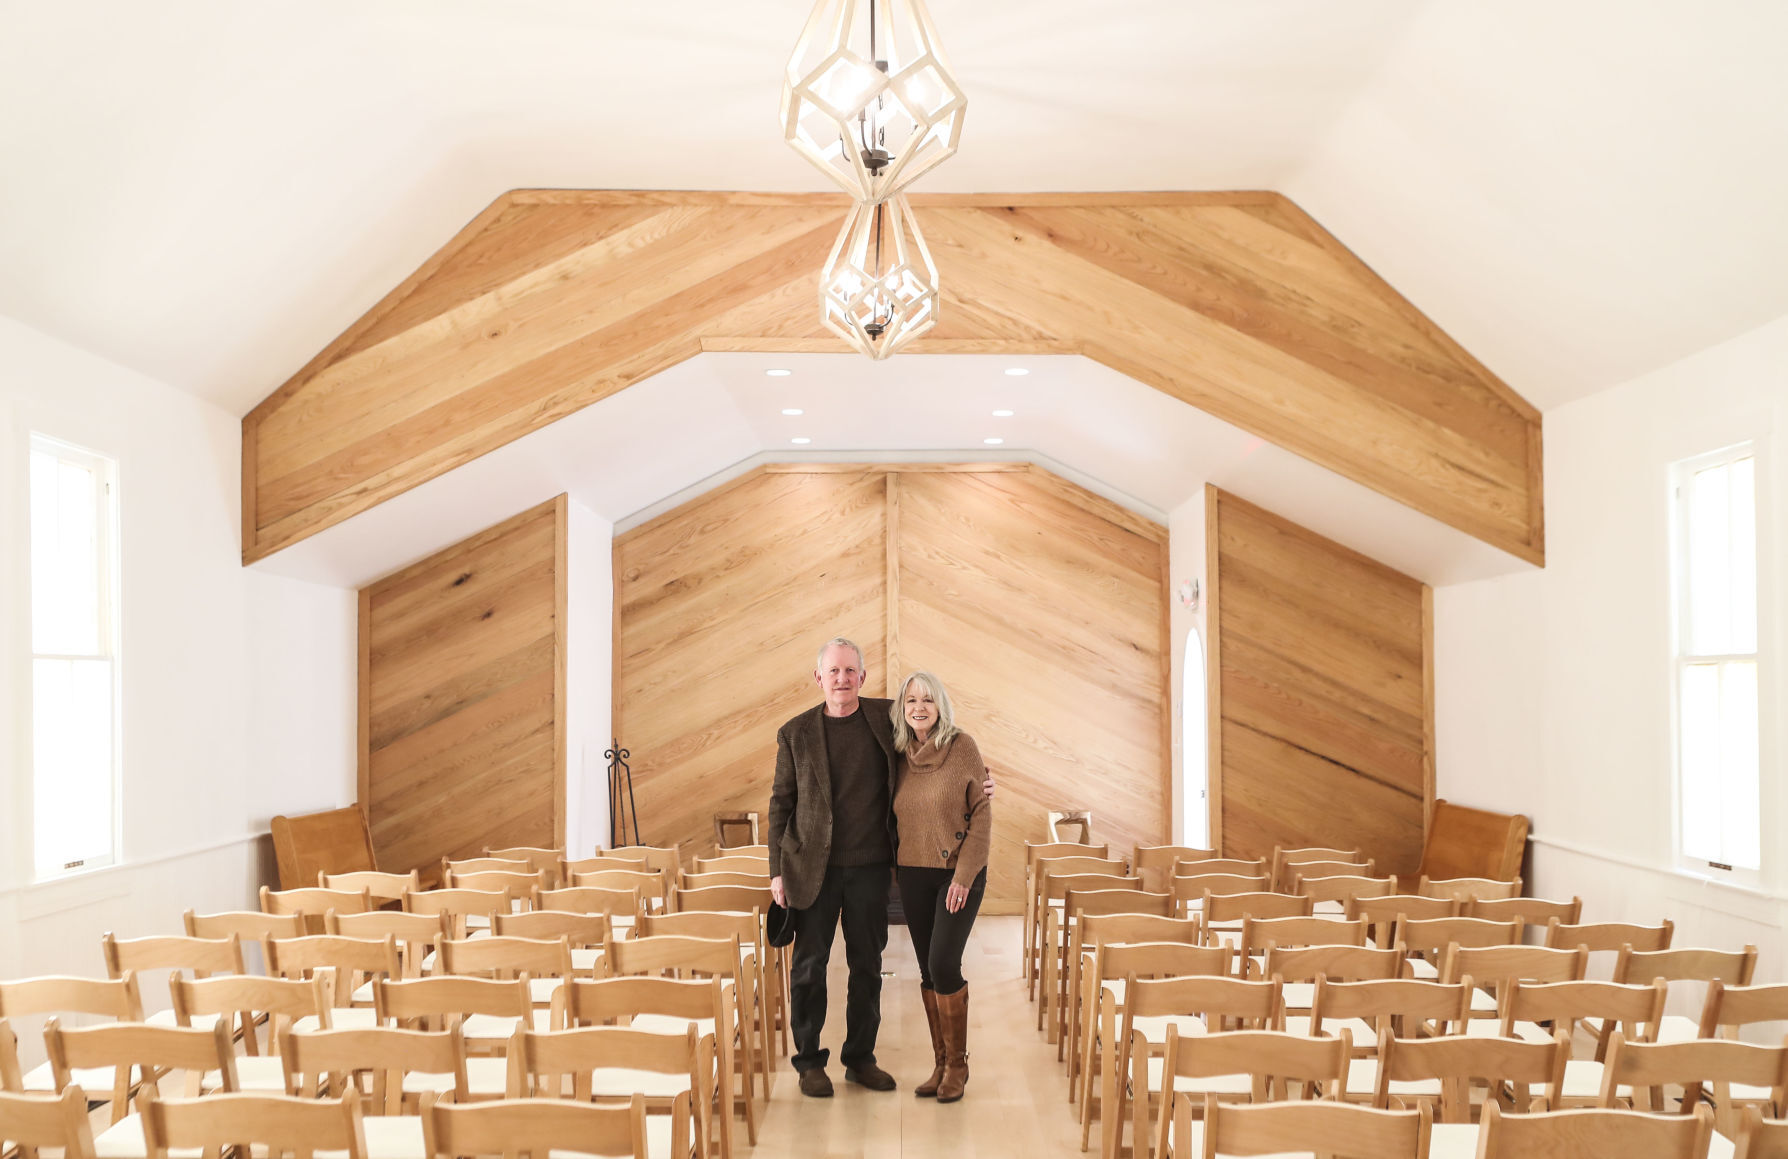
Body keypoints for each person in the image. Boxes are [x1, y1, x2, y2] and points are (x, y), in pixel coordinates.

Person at [767, 637, 992, 1099]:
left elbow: (935, 737)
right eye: (834, 672)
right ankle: (809, 1060)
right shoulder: (794, 734)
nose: (843, 680)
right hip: (812, 870)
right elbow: (780, 805)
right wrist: (776, 872)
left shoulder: (885, 719)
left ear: (863, 677)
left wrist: (984, 780)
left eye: (851, 671)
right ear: (819, 678)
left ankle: (860, 1058)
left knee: (867, 966)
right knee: (809, 967)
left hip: (870, 869)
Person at [890, 670, 991, 1103]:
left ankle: (959, 1065)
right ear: (902, 708)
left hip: (957, 875)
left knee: (945, 963)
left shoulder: (962, 747)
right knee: (929, 969)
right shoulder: (897, 754)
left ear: (941, 705)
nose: (919, 707)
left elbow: (982, 815)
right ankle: (940, 1062)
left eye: (928, 699)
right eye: (911, 700)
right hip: (912, 874)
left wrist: (964, 877)